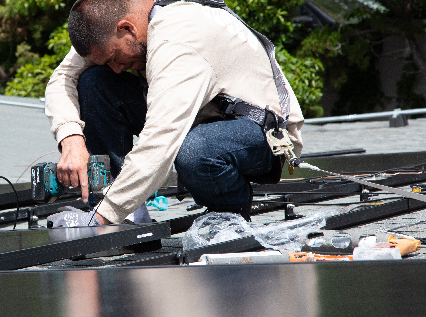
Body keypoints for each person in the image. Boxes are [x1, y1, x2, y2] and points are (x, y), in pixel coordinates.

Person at [44, 0, 304, 226]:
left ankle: (229, 214)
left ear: (126, 28)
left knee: (194, 150)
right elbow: (63, 78)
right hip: (200, 118)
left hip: (259, 133)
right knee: (94, 82)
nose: (116, 68)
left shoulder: (176, 39)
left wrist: (97, 222)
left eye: (114, 57)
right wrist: (71, 140)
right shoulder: (116, 25)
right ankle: (126, 213)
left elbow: (161, 142)